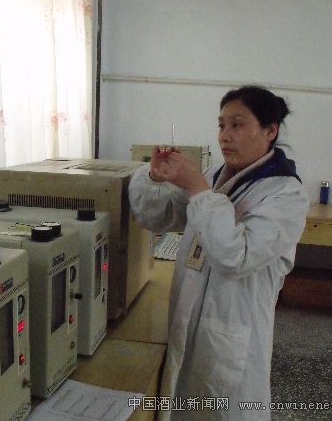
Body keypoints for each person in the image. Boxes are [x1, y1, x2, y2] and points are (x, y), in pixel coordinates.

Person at [129, 86, 309, 421]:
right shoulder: (215, 176)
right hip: (190, 320)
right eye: (221, 125)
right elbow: (158, 217)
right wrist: (155, 177)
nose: (225, 136)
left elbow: (235, 256)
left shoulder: (286, 194)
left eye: (237, 125)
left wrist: (197, 188)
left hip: (232, 332)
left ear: (270, 131)